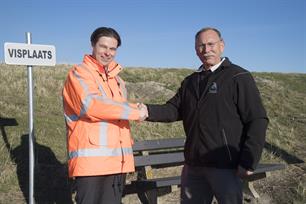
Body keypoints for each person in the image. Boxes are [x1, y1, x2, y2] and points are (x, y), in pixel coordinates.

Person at [140, 27, 268, 204]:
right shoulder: (191, 81)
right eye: (201, 46)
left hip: (227, 167)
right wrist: (146, 110)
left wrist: (248, 161)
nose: (206, 50)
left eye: (211, 44)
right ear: (195, 50)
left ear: (221, 45)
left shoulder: (238, 76)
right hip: (194, 167)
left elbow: (257, 120)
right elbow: (174, 110)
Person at [62, 27, 147, 204]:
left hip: (117, 162)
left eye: (113, 49)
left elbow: (117, 112)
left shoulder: (116, 79)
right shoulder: (79, 73)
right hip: (91, 165)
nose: (108, 53)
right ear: (93, 45)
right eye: (103, 47)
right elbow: (91, 105)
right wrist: (135, 111)